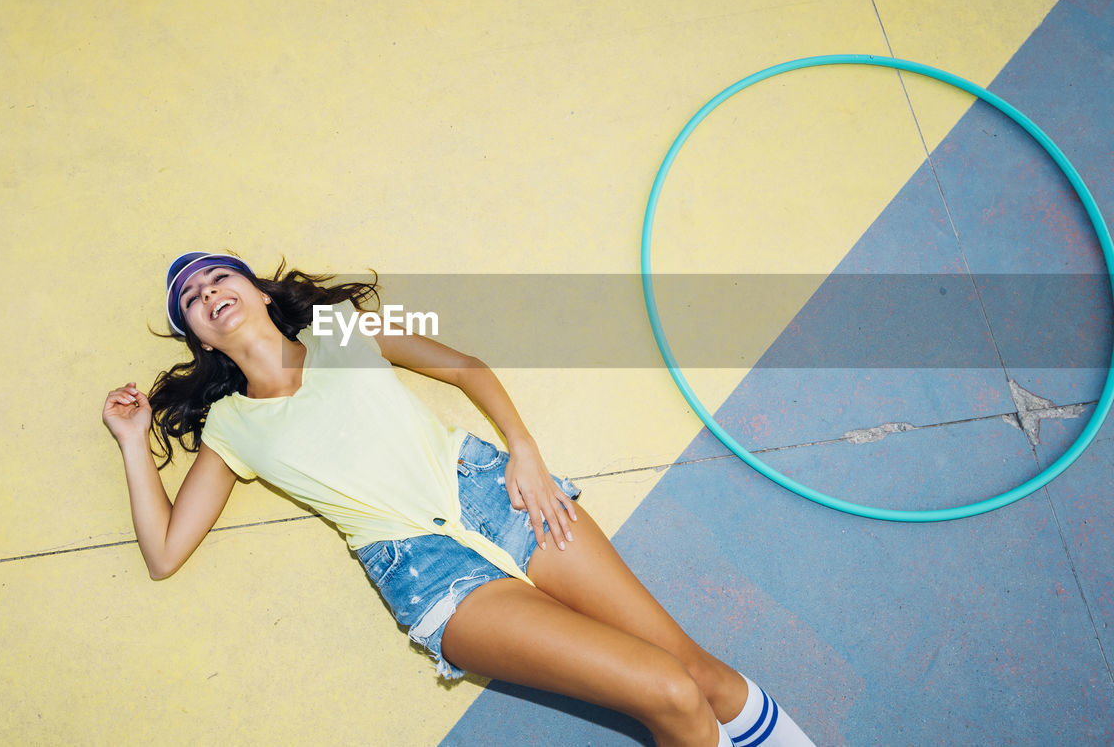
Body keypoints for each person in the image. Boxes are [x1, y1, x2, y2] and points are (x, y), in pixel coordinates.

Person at [102, 252, 816, 747]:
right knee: (669, 692)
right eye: (191, 300)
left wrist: (525, 450)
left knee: (706, 678)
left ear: (258, 292)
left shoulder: (340, 330)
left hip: (500, 495)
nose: (207, 293)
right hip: (431, 576)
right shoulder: (230, 426)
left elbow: (463, 366)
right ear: (196, 333)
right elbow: (164, 551)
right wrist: (135, 439)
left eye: (218, 277)